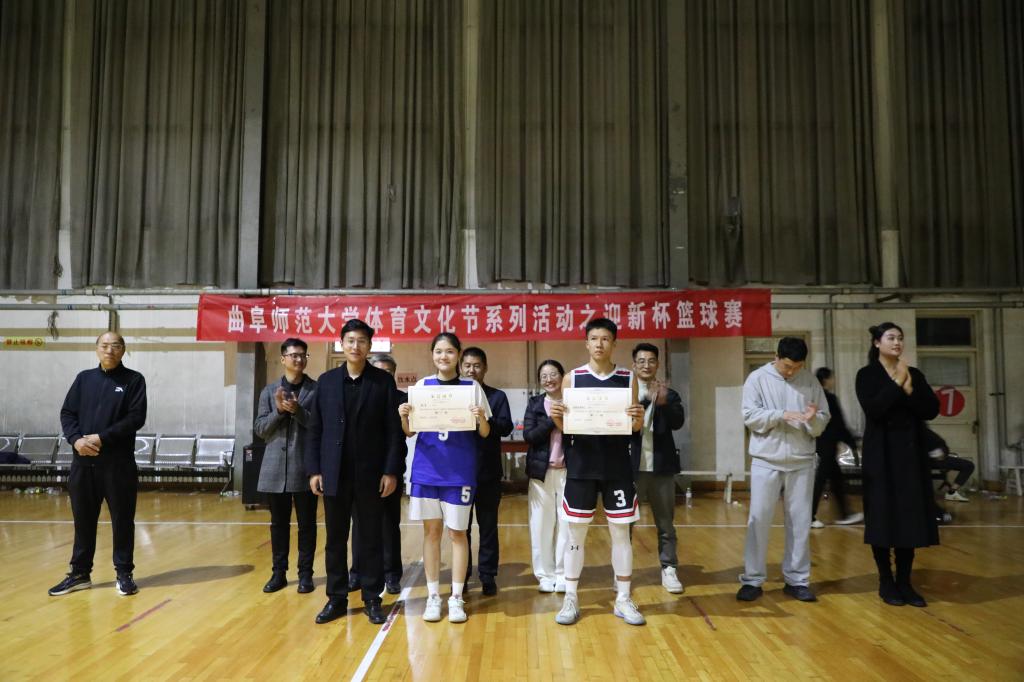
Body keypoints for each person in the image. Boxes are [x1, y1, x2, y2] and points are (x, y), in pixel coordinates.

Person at [305, 319, 405, 625]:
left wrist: (391, 471)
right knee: (335, 539)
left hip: (370, 475)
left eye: (362, 341)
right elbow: (315, 430)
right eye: (350, 340)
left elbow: (393, 432)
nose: (355, 346)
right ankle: (336, 599)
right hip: (333, 473)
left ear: (369, 346)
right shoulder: (326, 382)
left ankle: (372, 598)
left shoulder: (382, 382)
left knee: (370, 538)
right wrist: (314, 470)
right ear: (342, 344)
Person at [549, 318, 646, 626]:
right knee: (575, 533)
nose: (599, 344)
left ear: (614, 343)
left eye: (605, 338)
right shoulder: (572, 378)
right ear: (586, 343)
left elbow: (634, 426)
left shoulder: (627, 378)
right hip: (582, 465)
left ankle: (623, 598)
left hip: (617, 465)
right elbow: (567, 427)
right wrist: (557, 417)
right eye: (594, 338)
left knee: (621, 532)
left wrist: (639, 418)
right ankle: (571, 598)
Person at [399, 333, 492, 623]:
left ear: (458, 355)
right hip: (427, 470)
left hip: (459, 472)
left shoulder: (471, 387)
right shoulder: (421, 387)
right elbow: (410, 431)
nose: (444, 356)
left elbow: (485, 432)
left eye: (449, 351)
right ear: (432, 354)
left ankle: (456, 597)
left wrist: (480, 417)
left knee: (457, 533)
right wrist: (404, 415)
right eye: (439, 351)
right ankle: (433, 596)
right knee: (431, 533)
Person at [50, 332, 147, 597]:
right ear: (96, 349)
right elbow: (67, 413)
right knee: (83, 521)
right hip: (83, 464)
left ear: (123, 350)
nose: (109, 350)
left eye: (115, 346)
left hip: (118, 466)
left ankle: (124, 574)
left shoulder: (134, 380)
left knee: (122, 521)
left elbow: (136, 418)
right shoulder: (84, 379)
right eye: (104, 345)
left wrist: (102, 437)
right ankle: (80, 574)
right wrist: (76, 440)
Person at [738, 337, 829, 603]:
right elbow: (749, 416)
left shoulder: (810, 381)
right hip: (766, 460)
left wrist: (813, 420)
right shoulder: (757, 379)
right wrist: (780, 414)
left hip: (802, 460)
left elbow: (823, 418)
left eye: (797, 367)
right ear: (776, 357)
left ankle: (797, 580)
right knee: (758, 520)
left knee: (800, 522)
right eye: (787, 366)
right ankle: (752, 579)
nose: (791, 372)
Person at [856, 322, 941, 607]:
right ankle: (886, 580)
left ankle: (905, 581)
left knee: (909, 518)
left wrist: (909, 388)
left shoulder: (914, 374)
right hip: (880, 456)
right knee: (882, 517)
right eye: (891, 338)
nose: (897, 343)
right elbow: (875, 410)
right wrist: (897, 383)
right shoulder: (867, 375)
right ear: (877, 343)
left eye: (900, 338)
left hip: (910, 456)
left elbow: (931, 410)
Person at [253, 338, 318, 594]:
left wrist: (298, 410)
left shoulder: (315, 389)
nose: (299, 359)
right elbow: (260, 429)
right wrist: (279, 411)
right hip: (275, 468)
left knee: (307, 525)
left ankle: (305, 575)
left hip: (305, 466)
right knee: (278, 525)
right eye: (294, 355)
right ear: (283, 359)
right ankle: (278, 573)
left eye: (303, 355)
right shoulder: (269, 391)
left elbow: (319, 426)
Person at [630, 343, 687, 595]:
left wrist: (663, 402)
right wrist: (646, 399)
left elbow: (678, 422)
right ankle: (622, 572)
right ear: (634, 365)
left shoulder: (669, 394)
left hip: (662, 468)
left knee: (666, 524)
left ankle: (669, 568)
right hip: (632, 468)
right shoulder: (627, 393)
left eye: (651, 361)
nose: (646, 365)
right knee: (625, 523)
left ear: (657, 364)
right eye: (641, 361)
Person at [348, 353, 407, 595]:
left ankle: (391, 574)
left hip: (390, 470)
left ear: (394, 375)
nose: (383, 376)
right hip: (361, 471)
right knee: (359, 523)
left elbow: (400, 437)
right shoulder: (359, 395)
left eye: (388, 372)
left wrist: (391, 470)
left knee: (389, 524)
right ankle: (357, 572)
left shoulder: (403, 400)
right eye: (379, 371)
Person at [460, 346, 514, 596]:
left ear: (485, 368)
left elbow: (506, 427)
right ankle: (462, 574)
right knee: (461, 528)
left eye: (477, 365)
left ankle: (488, 575)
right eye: (467, 365)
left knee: (488, 526)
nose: (472, 370)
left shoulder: (497, 396)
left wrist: (485, 419)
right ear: (461, 367)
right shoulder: (453, 396)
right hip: (459, 473)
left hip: (488, 473)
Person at [523, 359, 570, 593]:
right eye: (544, 376)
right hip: (541, 473)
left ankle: (563, 574)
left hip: (569, 472)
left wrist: (564, 417)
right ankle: (545, 575)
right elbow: (530, 436)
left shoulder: (573, 402)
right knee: (541, 525)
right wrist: (553, 419)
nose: (549, 379)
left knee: (567, 525)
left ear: (562, 376)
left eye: (553, 374)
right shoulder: (535, 404)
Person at [810, 367, 863, 528]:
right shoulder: (829, 398)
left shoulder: (815, 398)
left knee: (836, 479)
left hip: (821, 443)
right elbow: (839, 424)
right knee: (820, 481)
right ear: (826, 380)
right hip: (828, 444)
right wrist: (852, 442)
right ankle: (809, 516)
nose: (833, 380)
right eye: (832, 378)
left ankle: (846, 514)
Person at [922, 426, 974, 503]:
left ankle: (951, 493)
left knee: (968, 465)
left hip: (933, 458)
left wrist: (940, 453)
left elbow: (940, 445)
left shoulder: (923, 430)